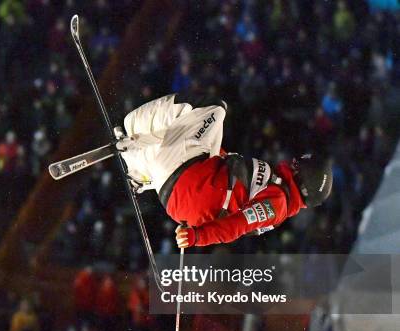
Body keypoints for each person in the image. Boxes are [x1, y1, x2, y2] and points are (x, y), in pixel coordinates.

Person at [116, 93, 333, 248]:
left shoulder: (278, 204)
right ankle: (141, 167)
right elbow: (223, 168)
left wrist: (197, 237)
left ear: (304, 179)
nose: (292, 162)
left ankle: (136, 147)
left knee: (214, 107)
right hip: (179, 193)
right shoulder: (274, 188)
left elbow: (238, 225)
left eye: (298, 165)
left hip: (187, 182)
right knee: (211, 133)